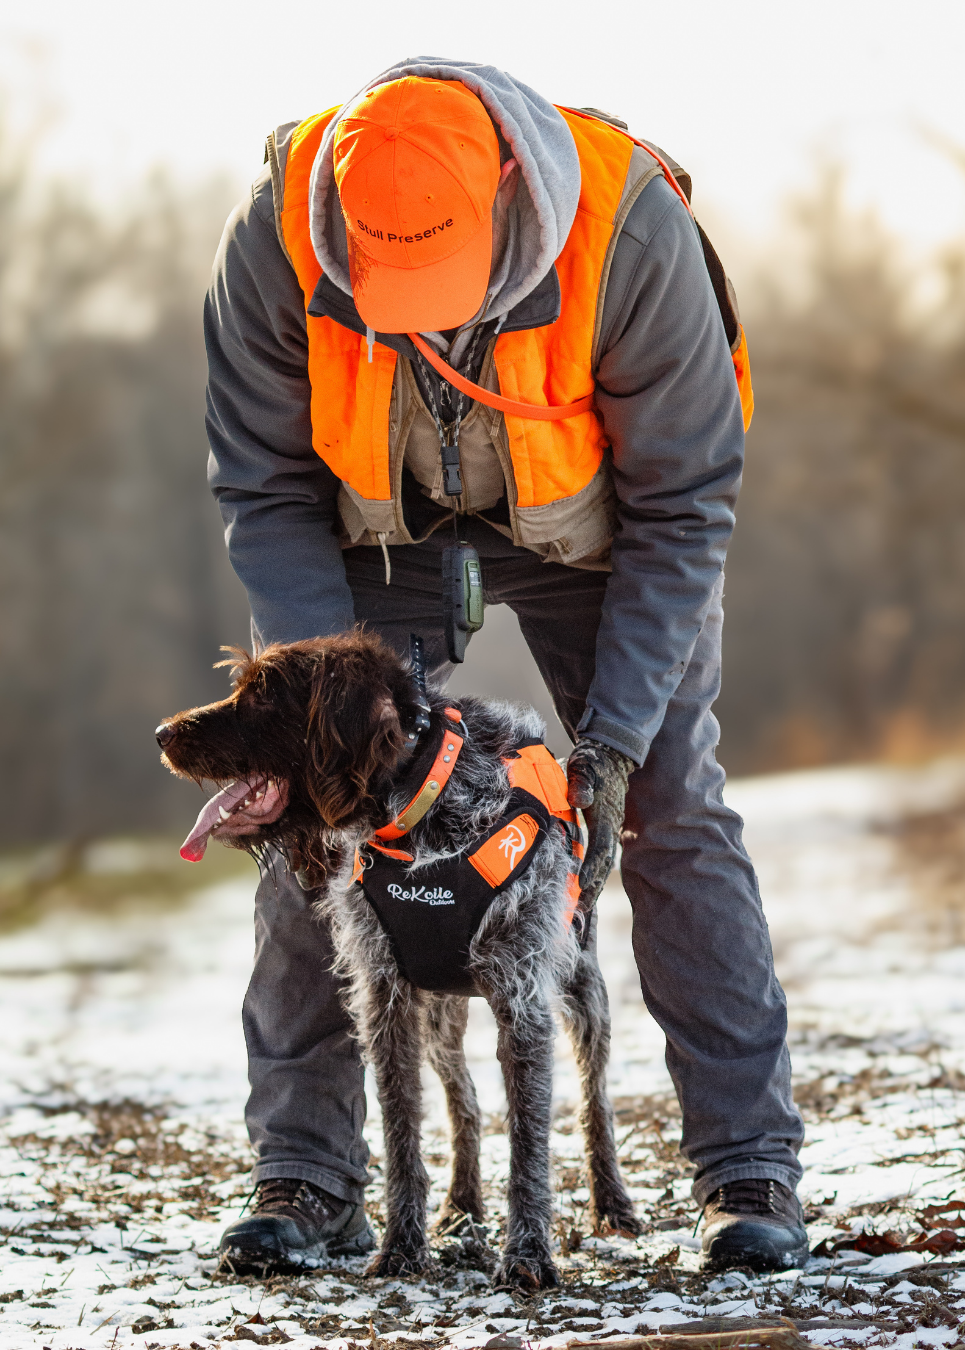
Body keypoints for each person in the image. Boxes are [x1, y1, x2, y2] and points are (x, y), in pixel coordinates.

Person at [202, 56, 807, 1275]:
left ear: (512, 207)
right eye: (394, 294)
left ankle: (746, 1174)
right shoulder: (275, 233)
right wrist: (321, 712)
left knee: (672, 806)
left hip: (603, 532)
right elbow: (263, 487)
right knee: (313, 821)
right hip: (377, 531)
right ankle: (310, 1178)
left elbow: (687, 504)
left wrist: (616, 744)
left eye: (443, 289)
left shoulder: (626, 231)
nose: (419, 320)